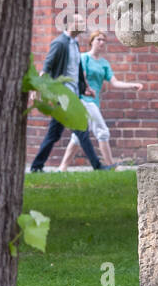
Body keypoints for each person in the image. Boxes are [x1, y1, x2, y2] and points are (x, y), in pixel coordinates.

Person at [28, 14, 106, 172]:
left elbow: (77, 69)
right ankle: (97, 167)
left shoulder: (75, 43)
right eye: (80, 21)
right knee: (81, 129)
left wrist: (86, 87)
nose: (84, 24)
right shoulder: (59, 43)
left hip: (73, 93)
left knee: (54, 134)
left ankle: (36, 166)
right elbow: (47, 67)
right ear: (71, 24)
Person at [57, 30, 142, 170]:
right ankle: (111, 166)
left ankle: (62, 168)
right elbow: (80, 77)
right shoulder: (84, 58)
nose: (101, 42)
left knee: (79, 136)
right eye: (98, 39)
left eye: (103, 40)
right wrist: (87, 88)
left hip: (93, 102)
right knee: (102, 131)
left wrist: (132, 85)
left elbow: (114, 82)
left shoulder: (104, 63)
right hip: (83, 100)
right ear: (91, 42)